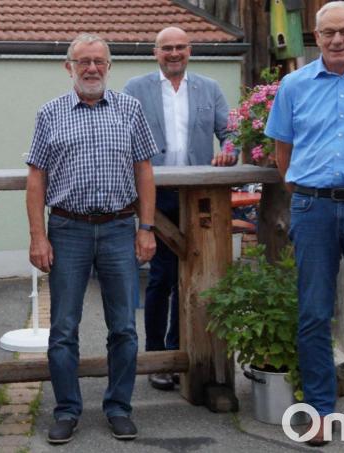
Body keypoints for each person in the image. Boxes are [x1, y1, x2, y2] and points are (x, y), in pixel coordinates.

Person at [264, 2, 344, 449]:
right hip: (313, 208)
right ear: (315, 38)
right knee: (313, 313)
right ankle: (320, 412)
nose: (337, 40)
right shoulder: (294, 85)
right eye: (328, 33)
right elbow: (283, 151)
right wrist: (306, 189)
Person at [26, 33, 158, 444]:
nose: (91, 69)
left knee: (123, 327)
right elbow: (36, 178)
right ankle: (67, 410)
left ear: (109, 66)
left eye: (99, 61)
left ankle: (119, 407)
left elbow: (144, 171)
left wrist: (147, 228)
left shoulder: (130, 109)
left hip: (121, 228)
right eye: (83, 61)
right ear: (69, 67)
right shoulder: (49, 113)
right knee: (63, 327)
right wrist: (37, 236)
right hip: (67, 230)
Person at [123, 26, 236, 391]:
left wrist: (229, 149)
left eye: (180, 48)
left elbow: (230, 132)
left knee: (197, 275)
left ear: (190, 50)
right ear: (155, 52)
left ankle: (183, 351)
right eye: (167, 48)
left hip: (198, 194)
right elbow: (120, 136)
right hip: (156, 194)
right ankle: (157, 356)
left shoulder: (209, 88)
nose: (174, 53)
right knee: (161, 277)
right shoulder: (135, 89)